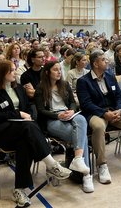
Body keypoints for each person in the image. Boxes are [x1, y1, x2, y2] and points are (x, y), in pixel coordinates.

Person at [0, 60, 71, 207]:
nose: (15, 73)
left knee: (25, 142)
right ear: (2, 73)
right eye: (11, 70)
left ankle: (19, 190)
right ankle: (51, 164)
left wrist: (25, 115)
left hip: (19, 131)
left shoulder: (18, 89)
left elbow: (28, 108)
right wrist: (19, 114)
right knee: (28, 127)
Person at [76, 50, 121, 184]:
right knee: (99, 127)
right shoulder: (83, 81)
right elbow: (86, 103)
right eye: (103, 60)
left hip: (114, 111)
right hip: (95, 113)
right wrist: (104, 113)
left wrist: (120, 110)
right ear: (95, 63)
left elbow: (119, 96)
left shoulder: (110, 76)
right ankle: (102, 165)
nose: (107, 61)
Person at [35, 61, 93, 193]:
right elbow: (40, 110)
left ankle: (78, 160)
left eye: (60, 70)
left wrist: (72, 111)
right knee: (81, 136)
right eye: (55, 70)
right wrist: (58, 116)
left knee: (81, 119)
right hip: (52, 119)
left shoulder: (65, 84)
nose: (59, 72)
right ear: (47, 72)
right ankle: (86, 175)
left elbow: (72, 102)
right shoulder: (40, 88)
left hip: (69, 114)